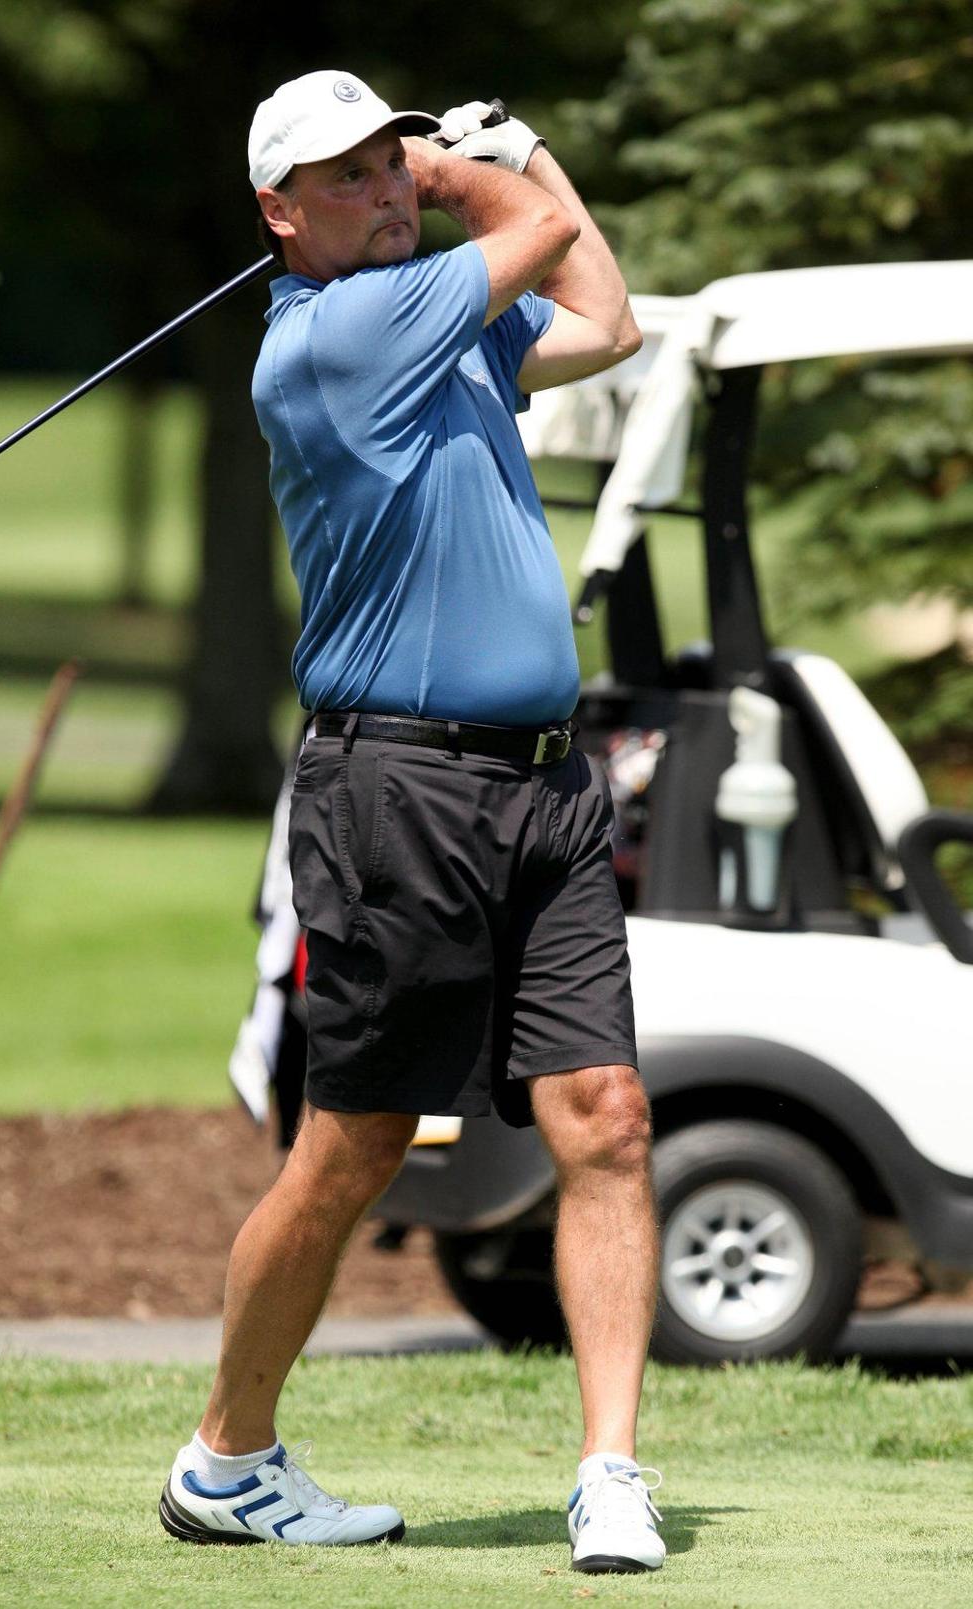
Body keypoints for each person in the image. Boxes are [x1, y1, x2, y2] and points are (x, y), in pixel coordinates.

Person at [159, 70, 664, 1576]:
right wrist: (473, 163)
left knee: (609, 1121)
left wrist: (490, 171)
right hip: (399, 792)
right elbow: (547, 222)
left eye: (389, 161)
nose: (384, 191)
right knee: (350, 1149)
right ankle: (226, 1456)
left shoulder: (434, 323)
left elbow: (609, 319)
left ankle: (611, 1469)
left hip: (545, 787)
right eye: (349, 178)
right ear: (278, 216)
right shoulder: (341, 338)